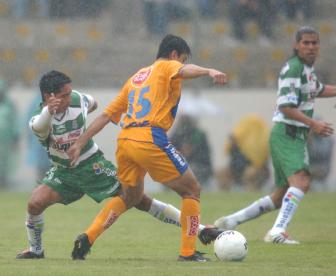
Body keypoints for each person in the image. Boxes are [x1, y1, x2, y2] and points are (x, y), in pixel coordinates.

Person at [16, 70, 222, 259]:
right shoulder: (38, 121)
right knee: (35, 203)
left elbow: (93, 103)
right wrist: (49, 112)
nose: (70, 97)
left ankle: (201, 229)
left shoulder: (77, 100)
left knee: (139, 200)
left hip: (92, 165)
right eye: (64, 95)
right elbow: (41, 125)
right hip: (64, 173)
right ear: (48, 96)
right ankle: (36, 250)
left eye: (70, 93)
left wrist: (82, 118)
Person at [68, 34, 227, 262]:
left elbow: (106, 115)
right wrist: (209, 71)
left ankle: (88, 237)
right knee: (192, 190)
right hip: (150, 137)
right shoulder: (167, 66)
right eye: (181, 59)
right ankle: (188, 252)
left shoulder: (136, 78)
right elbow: (184, 70)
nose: (180, 64)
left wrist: (80, 142)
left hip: (126, 140)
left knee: (130, 196)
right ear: (174, 55)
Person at [214, 26, 336, 244]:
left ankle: (231, 221)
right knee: (302, 181)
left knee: (280, 195)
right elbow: (286, 106)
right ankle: (277, 231)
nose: (311, 47)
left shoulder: (307, 70)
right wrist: (313, 123)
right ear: (296, 45)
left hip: (288, 135)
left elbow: (319, 89)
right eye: (306, 42)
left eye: (315, 43)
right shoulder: (293, 68)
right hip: (288, 134)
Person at [216, 114, 270, 191]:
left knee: (249, 173)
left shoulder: (251, 147)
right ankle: (225, 194)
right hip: (235, 169)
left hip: (253, 168)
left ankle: (250, 192)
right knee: (220, 173)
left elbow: (260, 163)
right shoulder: (233, 148)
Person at [170, 114, 213, 187]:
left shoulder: (199, 135)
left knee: (192, 171)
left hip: (198, 165)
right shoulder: (177, 134)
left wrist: (192, 150)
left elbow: (204, 154)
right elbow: (171, 149)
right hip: (181, 165)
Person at [0, 79, 20, 188]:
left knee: (6, 163)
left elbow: (15, 121)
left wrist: (15, 138)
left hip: (5, 141)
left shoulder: (9, 105)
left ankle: (4, 183)